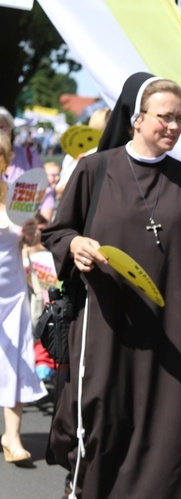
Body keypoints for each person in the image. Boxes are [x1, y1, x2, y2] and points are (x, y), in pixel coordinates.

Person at [41, 72, 181, 498]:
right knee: (102, 418)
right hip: (106, 324)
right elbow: (56, 232)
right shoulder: (95, 169)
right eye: (164, 117)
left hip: (171, 327)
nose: (173, 126)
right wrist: (77, 244)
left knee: (164, 428)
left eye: (180, 119)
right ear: (136, 119)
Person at [0, 133, 47, 467]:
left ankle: (12, 437)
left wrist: (32, 234)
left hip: (13, 293)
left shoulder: (16, 196)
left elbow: (31, 244)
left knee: (14, 363)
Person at [0, 107, 55, 223]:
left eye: (1, 127)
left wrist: (42, 226)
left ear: (10, 129)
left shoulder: (29, 155)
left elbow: (45, 191)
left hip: (26, 231)